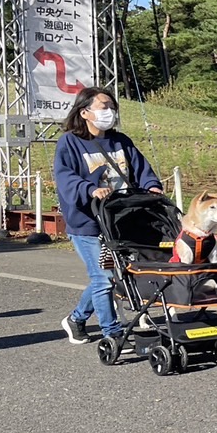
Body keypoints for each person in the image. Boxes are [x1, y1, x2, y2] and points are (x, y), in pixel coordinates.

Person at [53, 86, 162, 345]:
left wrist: (152, 185)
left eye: (112, 107)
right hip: (88, 222)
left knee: (114, 276)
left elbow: (141, 168)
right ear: (85, 112)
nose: (110, 112)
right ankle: (113, 334)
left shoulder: (121, 141)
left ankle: (77, 318)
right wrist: (90, 189)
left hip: (121, 220)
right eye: (104, 107)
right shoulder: (69, 142)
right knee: (104, 277)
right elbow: (65, 178)